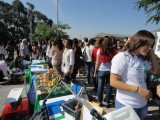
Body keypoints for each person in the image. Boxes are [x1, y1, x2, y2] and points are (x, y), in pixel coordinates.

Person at [110, 30, 160, 120]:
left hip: (143, 104)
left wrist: (152, 53)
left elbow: (156, 72)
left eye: (151, 45)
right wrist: (137, 89)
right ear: (139, 42)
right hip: (126, 104)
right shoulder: (122, 57)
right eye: (147, 44)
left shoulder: (142, 59)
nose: (149, 47)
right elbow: (113, 82)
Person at [94, 37, 117, 107]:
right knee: (109, 88)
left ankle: (99, 102)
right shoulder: (114, 51)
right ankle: (107, 102)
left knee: (100, 87)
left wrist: (95, 71)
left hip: (101, 70)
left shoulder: (99, 50)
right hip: (110, 71)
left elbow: (97, 62)